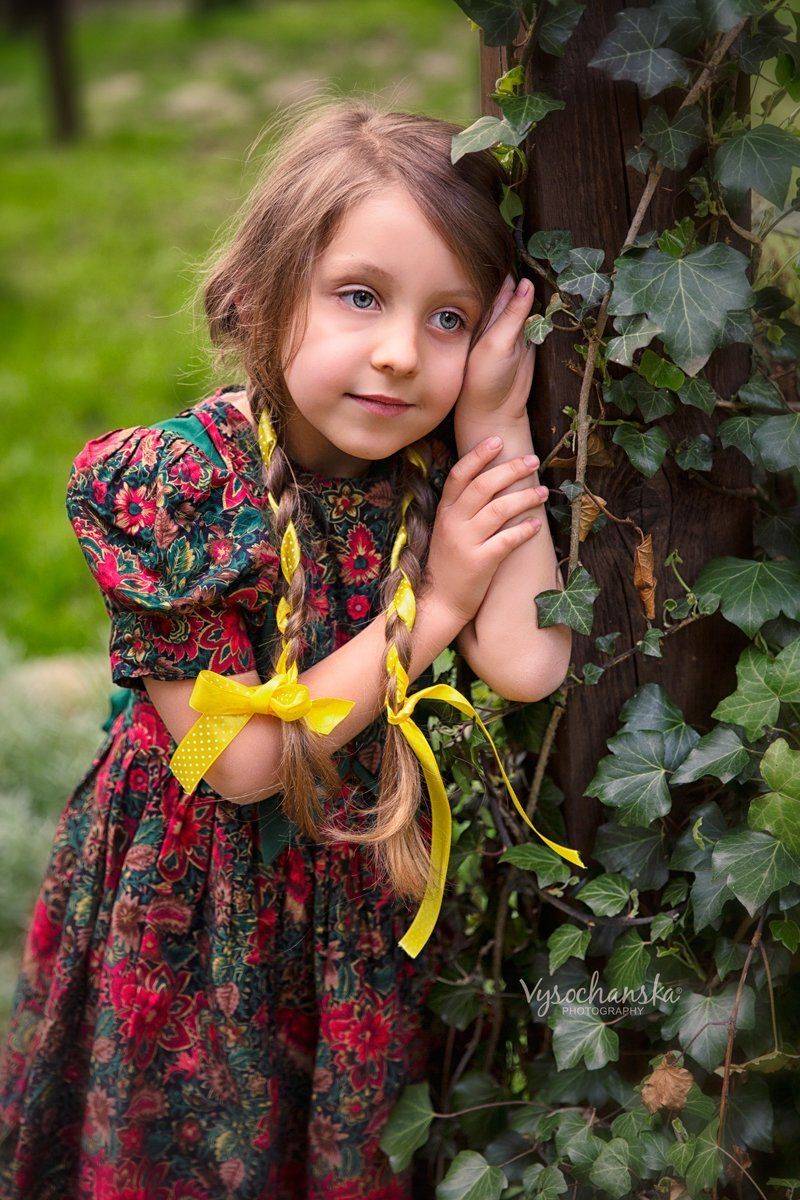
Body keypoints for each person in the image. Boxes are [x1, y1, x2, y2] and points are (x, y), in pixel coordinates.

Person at [0, 97, 573, 1198]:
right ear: (261, 294)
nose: (401, 355)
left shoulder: (423, 473)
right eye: (359, 297)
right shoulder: (179, 486)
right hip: (189, 908)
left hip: (350, 902)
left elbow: (529, 663)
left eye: (448, 320)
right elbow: (237, 758)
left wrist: (496, 425)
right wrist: (434, 602)